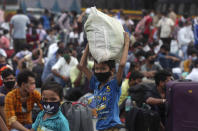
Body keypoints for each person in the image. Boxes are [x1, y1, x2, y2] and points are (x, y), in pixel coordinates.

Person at [78, 32, 129, 131]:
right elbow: (81, 66)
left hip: (112, 127)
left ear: (112, 71)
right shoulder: (96, 84)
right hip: (100, 127)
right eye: (97, 69)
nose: (99, 71)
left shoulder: (114, 85)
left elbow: (122, 65)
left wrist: (126, 43)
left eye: (103, 69)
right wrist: (89, 44)